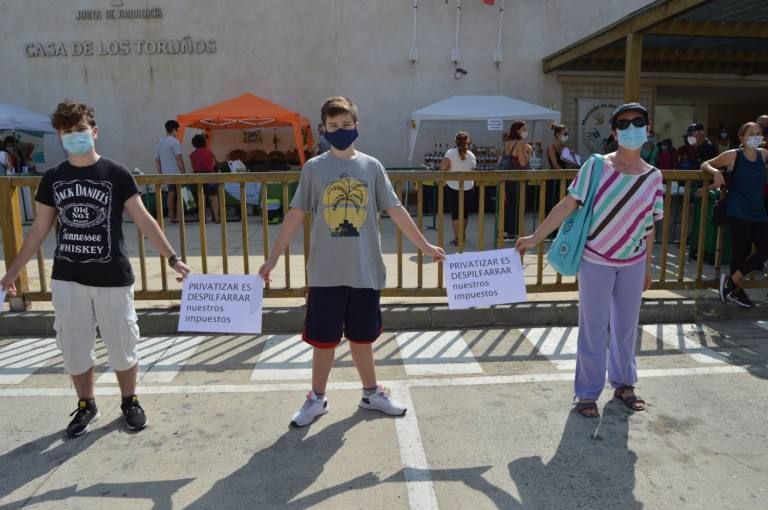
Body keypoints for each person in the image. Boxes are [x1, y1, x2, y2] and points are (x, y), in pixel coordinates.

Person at [0, 100, 191, 437]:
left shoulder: (116, 173)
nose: (74, 136)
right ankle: (86, 403)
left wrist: (173, 258)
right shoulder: (54, 178)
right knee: (74, 346)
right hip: (68, 278)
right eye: (67, 132)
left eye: (80, 130)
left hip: (113, 278)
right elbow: (39, 230)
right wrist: (12, 272)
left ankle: (129, 400)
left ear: (94, 132)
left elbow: (144, 220)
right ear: (59, 136)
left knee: (122, 343)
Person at [257, 96, 445, 428]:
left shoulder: (372, 166)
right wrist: (272, 258)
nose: (340, 130)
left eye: (346, 125)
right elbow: (296, 213)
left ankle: (371, 393)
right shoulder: (314, 168)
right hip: (325, 274)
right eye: (333, 126)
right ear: (324, 129)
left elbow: (396, 210)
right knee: (323, 340)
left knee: (363, 338)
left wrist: (425, 245)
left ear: (357, 126)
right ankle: (316, 398)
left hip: (365, 270)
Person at [516, 102, 664, 418]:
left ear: (647, 128)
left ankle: (625, 384)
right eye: (623, 124)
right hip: (596, 259)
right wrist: (534, 238)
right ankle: (586, 393)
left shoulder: (654, 177)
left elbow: (649, 225)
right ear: (614, 132)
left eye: (637, 122)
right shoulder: (597, 167)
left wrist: (648, 265)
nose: (631, 128)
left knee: (626, 327)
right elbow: (568, 205)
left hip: (633, 262)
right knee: (593, 327)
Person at [703, 122, 768, 309]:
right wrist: (716, 173)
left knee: (764, 249)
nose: (756, 136)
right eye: (751, 133)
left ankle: (730, 283)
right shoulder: (733, 155)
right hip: (738, 211)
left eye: (759, 133)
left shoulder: (763, 155)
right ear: (742, 137)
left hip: (759, 212)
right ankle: (736, 291)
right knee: (741, 252)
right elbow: (706, 163)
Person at [440, 131, 476, 246]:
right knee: (464, 213)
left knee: (455, 213)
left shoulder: (450, 153)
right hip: (468, 186)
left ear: (455, 141)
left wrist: (450, 167)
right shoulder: (471, 155)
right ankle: (462, 235)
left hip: (453, 185)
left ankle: (457, 238)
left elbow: (442, 167)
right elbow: (473, 169)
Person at [500, 121, 532, 239]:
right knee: (517, 205)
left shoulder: (507, 142)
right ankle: (512, 231)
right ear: (517, 130)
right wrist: (529, 153)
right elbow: (523, 162)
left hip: (508, 178)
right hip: (518, 179)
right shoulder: (520, 143)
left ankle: (504, 230)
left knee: (509, 204)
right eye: (524, 129)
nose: (525, 132)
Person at [155, 120, 187, 223]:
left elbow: (157, 160)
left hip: (166, 173)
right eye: (177, 130)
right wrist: (183, 172)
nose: (177, 132)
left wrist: (160, 174)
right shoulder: (174, 142)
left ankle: (172, 215)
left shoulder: (160, 142)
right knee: (179, 194)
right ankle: (179, 216)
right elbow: (179, 158)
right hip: (176, 172)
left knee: (171, 193)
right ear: (174, 129)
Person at [189, 134, 220, 223]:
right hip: (210, 176)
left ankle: (203, 219)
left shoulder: (192, 155)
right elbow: (213, 164)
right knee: (213, 197)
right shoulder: (210, 152)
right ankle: (217, 218)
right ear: (204, 142)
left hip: (198, 176)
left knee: (201, 197)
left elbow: (192, 166)